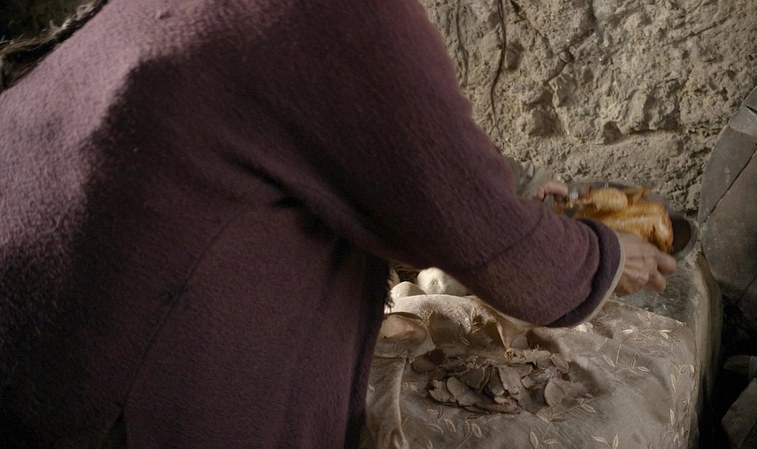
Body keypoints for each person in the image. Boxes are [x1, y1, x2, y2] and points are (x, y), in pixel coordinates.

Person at [0, 0, 675, 447]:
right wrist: (606, 254)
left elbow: (349, 137)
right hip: (117, 391)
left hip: (38, 343)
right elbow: (513, 259)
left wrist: (512, 191)